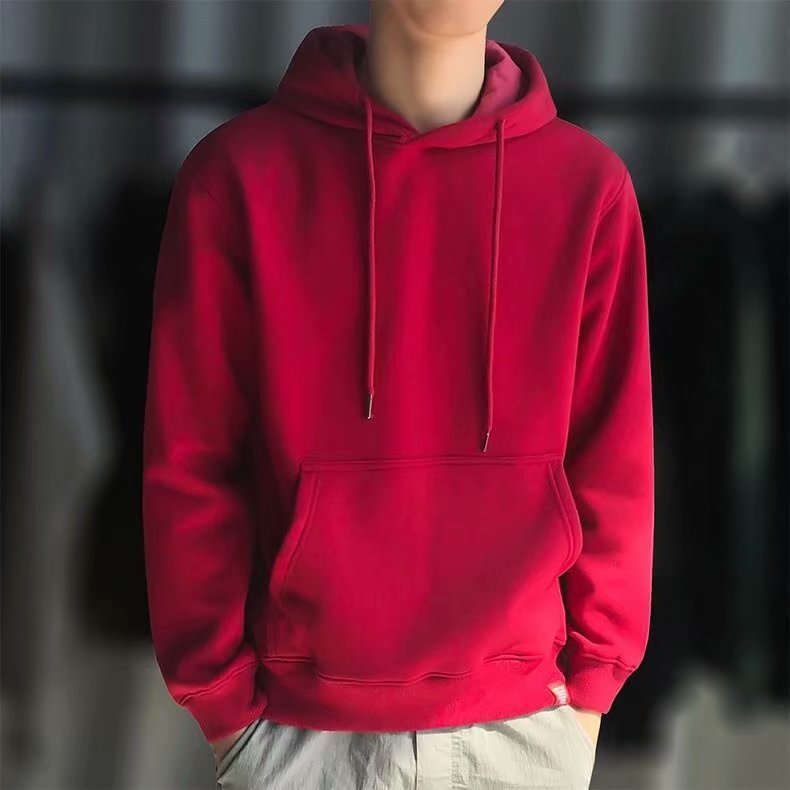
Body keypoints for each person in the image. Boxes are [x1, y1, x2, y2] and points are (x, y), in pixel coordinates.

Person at [142, 1, 655, 788]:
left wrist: (590, 693)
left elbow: (614, 463)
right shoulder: (238, 179)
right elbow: (191, 461)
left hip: (526, 727)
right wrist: (224, 706)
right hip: (300, 734)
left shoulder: (588, 189)